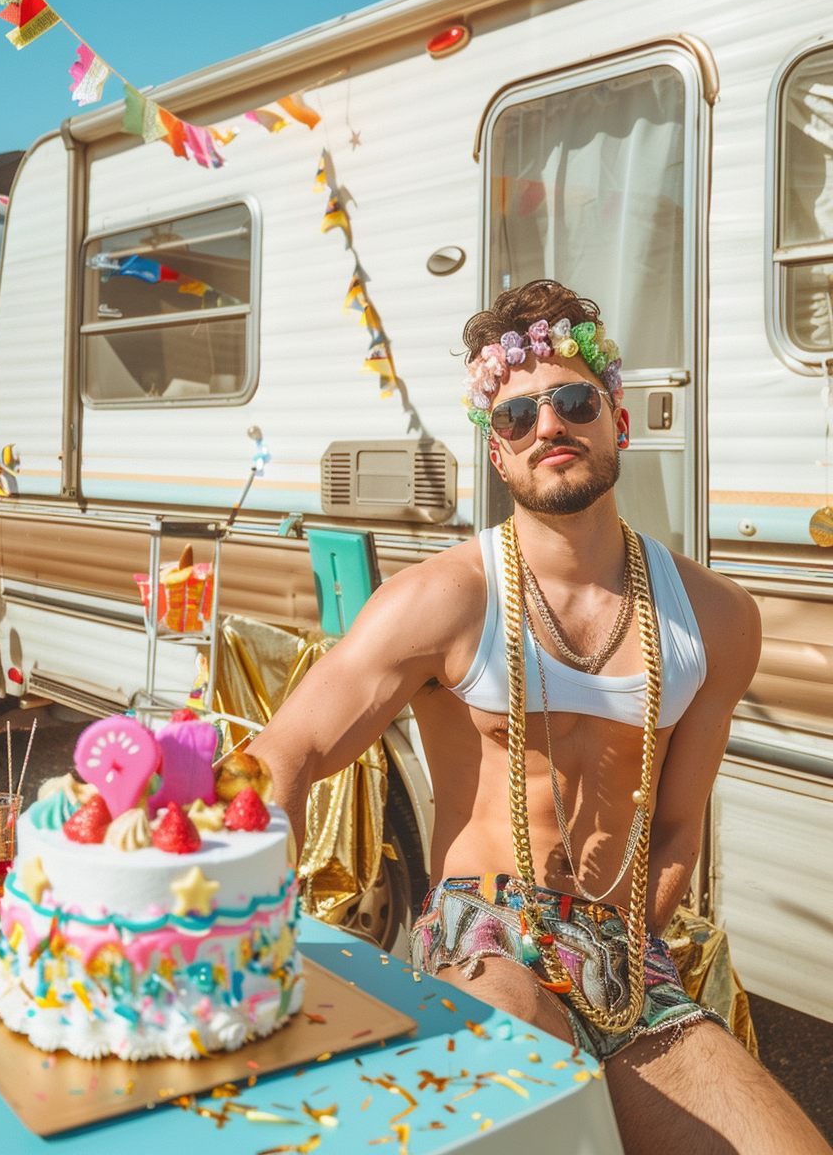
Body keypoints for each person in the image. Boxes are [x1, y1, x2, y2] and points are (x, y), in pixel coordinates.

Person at [247, 279, 832, 1155]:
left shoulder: (717, 618)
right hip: (483, 923)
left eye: (571, 402)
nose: (548, 426)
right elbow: (285, 750)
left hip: (621, 943)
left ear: (617, 421)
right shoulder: (442, 600)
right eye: (516, 418)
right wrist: (244, 929)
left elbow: (675, 827)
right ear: (497, 455)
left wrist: (634, 938)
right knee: (519, 1128)